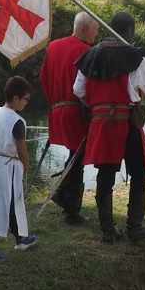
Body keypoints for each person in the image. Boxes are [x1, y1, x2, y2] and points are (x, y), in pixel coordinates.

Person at [75, 10, 145, 243]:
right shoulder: (135, 58)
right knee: (139, 171)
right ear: (129, 31)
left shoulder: (91, 55)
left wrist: (100, 104)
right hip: (127, 123)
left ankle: (107, 230)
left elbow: (78, 90)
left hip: (101, 124)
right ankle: (134, 228)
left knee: (105, 175)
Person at [41, 12, 100, 224]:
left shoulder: (53, 46)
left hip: (56, 110)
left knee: (75, 156)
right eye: (95, 29)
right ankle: (69, 205)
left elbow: (44, 78)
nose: (97, 33)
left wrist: (54, 103)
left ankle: (65, 198)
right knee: (78, 157)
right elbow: (90, 86)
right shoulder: (87, 52)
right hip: (76, 111)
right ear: (84, 29)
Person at [0, 76, 37, 261]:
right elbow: (21, 147)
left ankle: (21, 238)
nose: (26, 103)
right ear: (15, 98)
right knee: (3, 203)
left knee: (9, 201)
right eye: (25, 99)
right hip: (8, 165)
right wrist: (26, 164)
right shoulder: (16, 120)